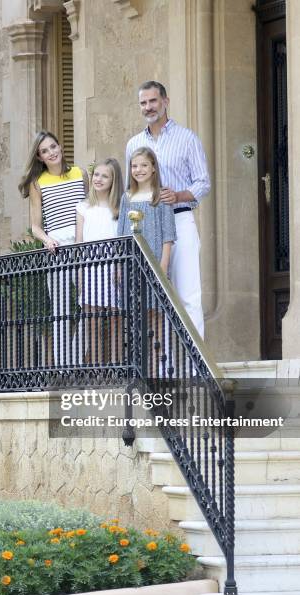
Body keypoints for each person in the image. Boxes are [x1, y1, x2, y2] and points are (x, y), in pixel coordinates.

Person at [126, 80, 211, 339]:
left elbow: (203, 183)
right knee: (154, 298)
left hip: (180, 219)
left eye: (153, 101)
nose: (148, 107)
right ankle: (163, 369)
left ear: (165, 101)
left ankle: (198, 369)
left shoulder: (187, 138)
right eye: (143, 102)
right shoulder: (133, 144)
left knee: (188, 295)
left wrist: (178, 196)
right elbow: (130, 189)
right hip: (148, 225)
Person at [18, 131, 88, 366]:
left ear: (60, 146)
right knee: (60, 310)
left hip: (83, 244)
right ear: (40, 157)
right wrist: (47, 240)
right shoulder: (38, 183)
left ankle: (74, 359)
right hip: (56, 247)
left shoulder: (81, 174)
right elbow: (35, 226)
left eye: (53, 147)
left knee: (90, 305)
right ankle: (62, 365)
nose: (52, 152)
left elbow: (90, 211)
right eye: (45, 151)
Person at [118, 147, 177, 376]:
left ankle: (160, 371)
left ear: (153, 168)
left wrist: (163, 265)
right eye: (134, 166)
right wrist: (120, 266)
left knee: (157, 315)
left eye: (143, 165)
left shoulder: (160, 196)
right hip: (132, 265)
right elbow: (121, 233)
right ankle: (141, 369)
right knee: (136, 317)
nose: (138, 170)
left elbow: (168, 234)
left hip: (155, 263)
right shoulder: (126, 198)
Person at [75, 158, 123, 364]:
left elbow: (122, 241)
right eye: (96, 175)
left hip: (113, 269)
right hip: (90, 269)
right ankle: (96, 369)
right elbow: (78, 243)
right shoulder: (83, 207)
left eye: (105, 176)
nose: (99, 179)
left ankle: (117, 367)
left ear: (113, 181)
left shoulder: (119, 208)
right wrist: (79, 273)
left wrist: (120, 267)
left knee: (116, 321)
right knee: (92, 323)